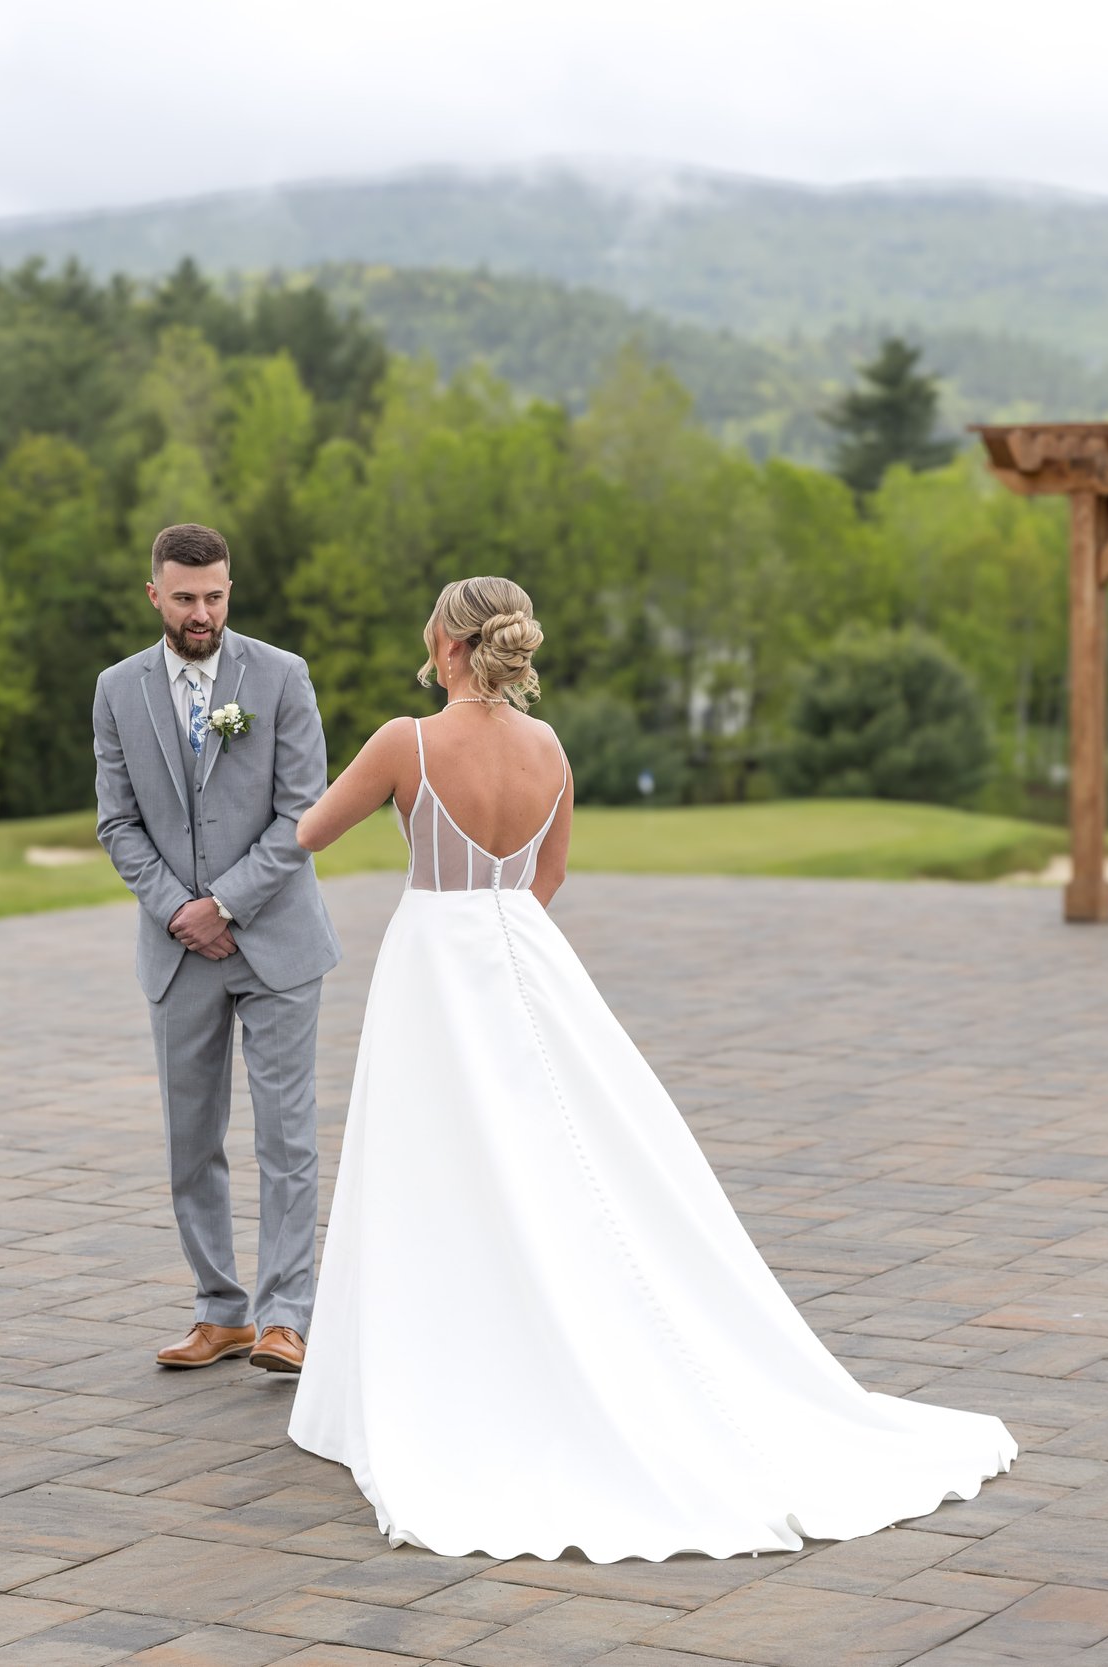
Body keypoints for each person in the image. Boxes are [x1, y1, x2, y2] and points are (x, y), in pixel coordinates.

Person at [287, 575, 1016, 1561]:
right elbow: (549, 877)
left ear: (448, 646)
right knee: (561, 1149)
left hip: (432, 963)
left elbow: (309, 832)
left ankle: (443, 1360)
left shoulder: (402, 741)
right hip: (524, 953)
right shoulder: (548, 749)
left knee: (429, 1160)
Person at [93, 523, 340, 1377]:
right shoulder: (117, 689)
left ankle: (285, 1318)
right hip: (178, 952)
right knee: (190, 1139)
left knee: (287, 1140)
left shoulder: (280, 676)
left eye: (216, 595)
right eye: (187, 596)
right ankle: (220, 1309)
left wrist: (226, 902)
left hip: (276, 942)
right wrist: (181, 913)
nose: (203, 612)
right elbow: (117, 822)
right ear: (154, 594)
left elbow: (302, 814)